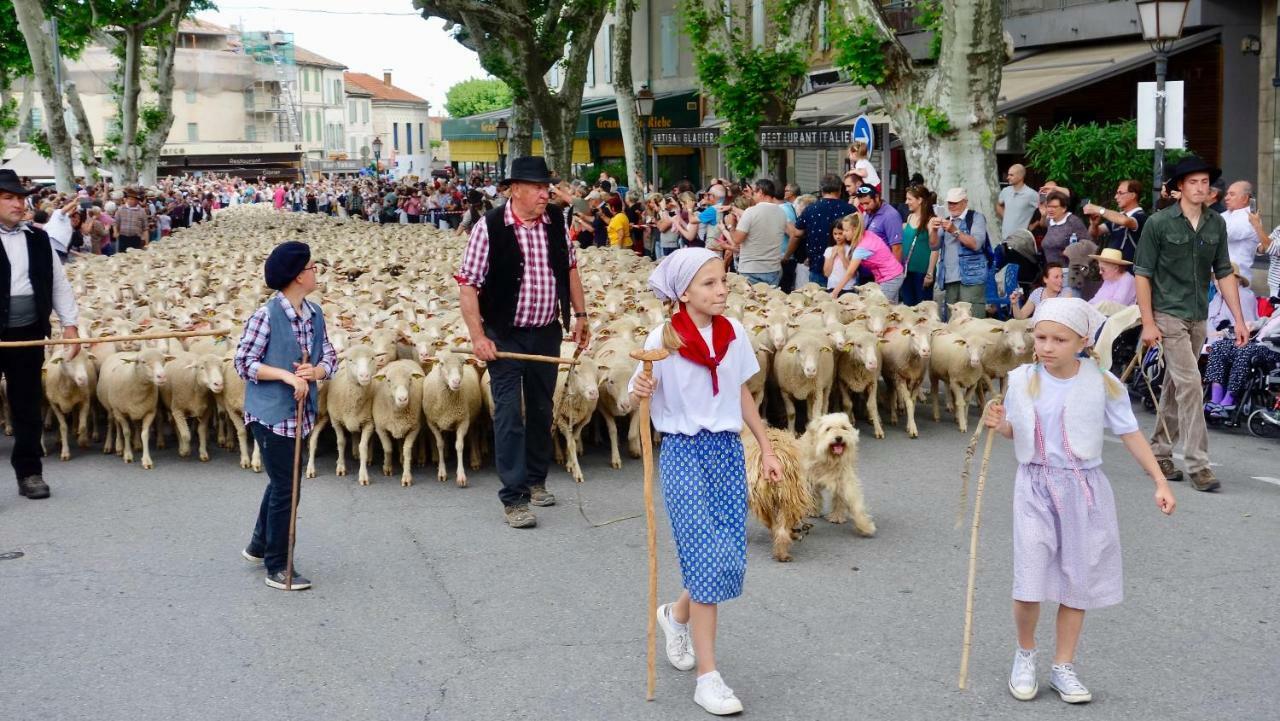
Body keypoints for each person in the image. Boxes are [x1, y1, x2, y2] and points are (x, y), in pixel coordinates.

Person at [982, 297, 1175, 705]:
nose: (1047, 346)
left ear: (1083, 341)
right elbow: (1018, 432)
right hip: (1034, 486)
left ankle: (1063, 665)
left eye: (1059, 339)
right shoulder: (1020, 380)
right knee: (1029, 578)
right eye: (1042, 337)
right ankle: (1025, 652)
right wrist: (1001, 426)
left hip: (1083, 488)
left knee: (1077, 581)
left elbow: (1130, 434)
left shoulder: (1102, 383)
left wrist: (1159, 480)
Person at [628, 247, 782, 717]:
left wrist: (768, 448)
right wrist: (639, 391)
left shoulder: (734, 332)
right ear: (683, 292)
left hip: (727, 453)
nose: (721, 290)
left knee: (727, 557)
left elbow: (740, 392)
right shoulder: (665, 337)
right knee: (707, 558)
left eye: (723, 280)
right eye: (709, 283)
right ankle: (708, 678)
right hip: (682, 453)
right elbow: (629, 397)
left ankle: (676, 616)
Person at [456, 157, 590, 529]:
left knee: (541, 407)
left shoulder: (555, 226)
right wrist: (478, 336)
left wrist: (580, 316)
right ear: (515, 189)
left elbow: (570, 270)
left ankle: (535, 480)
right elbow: (468, 284)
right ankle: (513, 497)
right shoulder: (490, 227)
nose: (544, 193)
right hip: (504, 333)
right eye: (536, 187)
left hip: (545, 330)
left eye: (546, 187)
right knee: (510, 413)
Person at [1135, 155, 1248, 493]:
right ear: (1179, 187)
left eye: (1205, 182)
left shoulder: (1216, 224)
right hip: (1168, 312)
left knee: (1176, 383)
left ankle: (1159, 450)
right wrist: (1148, 322)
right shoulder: (1159, 223)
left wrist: (1240, 319)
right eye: (1193, 182)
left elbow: (1224, 271)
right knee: (1191, 383)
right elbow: (1142, 274)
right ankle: (1199, 464)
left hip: (1198, 314)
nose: (1201, 188)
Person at [233, 241, 337, 591]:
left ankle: (259, 546)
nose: (315, 272)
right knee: (287, 489)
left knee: (282, 483)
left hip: (302, 415)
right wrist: (286, 375)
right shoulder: (266, 316)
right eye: (311, 268)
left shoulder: (315, 314)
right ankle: (278, 565)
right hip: (271, 416)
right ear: (296, 277)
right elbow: (243, 362)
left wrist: (316, 372)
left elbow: (330, 356)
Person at [0, 169, 83, 502]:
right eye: (9, 198)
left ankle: (30, 472)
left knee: (27, 405)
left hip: (28, 334)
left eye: (20, 198)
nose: (18, 204)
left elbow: (58, 282)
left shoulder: (37, 238)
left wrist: (71, 325)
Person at [1204, 310, 1280, 417]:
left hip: (1272, 349)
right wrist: (1252, 324)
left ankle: (1229, 400)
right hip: (1257, 344)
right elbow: (1267, 321)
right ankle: (1216, 398)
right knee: (1218, 346)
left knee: (1244, 350)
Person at [929, 187, 991, 318]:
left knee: (972, 318)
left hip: (973, 277)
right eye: (949, 203)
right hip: (950, 278)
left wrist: (954, 231)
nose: (951, 206)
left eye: (955, 202)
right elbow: (934, 246)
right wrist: (933, 230)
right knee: (953, 320)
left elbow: (976, 244)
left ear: (965, 202)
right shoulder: (946, 220)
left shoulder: (976, 218)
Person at [794, 174, 856, 287]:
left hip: (817, 265)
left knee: (819, 301)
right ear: (840, 190)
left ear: (821, 190)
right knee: (845, 302)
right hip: (845, 267)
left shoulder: (811, 209)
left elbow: (797, 233)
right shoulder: (850, 210)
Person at [828, 212, 905, 301]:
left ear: (855, 230)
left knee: (879, 307)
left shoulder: (862, 248)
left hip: (890, 278)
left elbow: (849, 273)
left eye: (846, 230)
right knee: (890, 308)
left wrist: (835, 292)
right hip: (894, 275)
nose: (844, 233)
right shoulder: (868, 234)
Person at [726, 179, 787, 286]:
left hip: (751, 269)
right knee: (771, 301)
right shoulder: (781, 213)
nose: (752, 195)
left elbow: (737, 240)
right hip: (773, 268)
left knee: (750, 301)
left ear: (761, 193)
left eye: (754, 192)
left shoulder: (750, 212)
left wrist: (730, 225)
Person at [1083, 179, 1146, 267]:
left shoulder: (1140, 216)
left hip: (1131, 271)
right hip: (1113, 270)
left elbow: (1125, 221)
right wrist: (1094, 224)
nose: (1116, 197)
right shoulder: (1118, 217)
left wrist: (1098, 209)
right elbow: (1094, 234)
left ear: (1132, 195)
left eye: (1120, 193)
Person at [899, 184, 939, 306]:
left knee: (923, 309)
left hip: (922, 272)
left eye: (910, 199)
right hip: (907, 271)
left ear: (920, 200)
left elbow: (935, 248)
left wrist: (930, 273)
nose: (907, 202)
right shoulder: (910, 217)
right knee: (908, 307)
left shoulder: (931, 220)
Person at [1219, 180, 1267, 270]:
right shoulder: (1226, 214)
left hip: (1237, 275)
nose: (1226, 198)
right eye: (1227, 194)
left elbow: (1221, 234)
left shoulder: (1250, 218)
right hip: (1216, 272)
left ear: (1245, 199)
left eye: (1232, 194)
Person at [853, 184, 903, 260]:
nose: (864, 207)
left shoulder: (890, 215)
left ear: (877, 197)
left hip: (884, 268)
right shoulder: (868, 212)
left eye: (867, 203)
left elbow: (897, 248)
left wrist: (893, 271)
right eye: (862, 204)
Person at [1039, 191, 1089, 267]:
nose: (1050, 210)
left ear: (1064, 208)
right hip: (1051, 270)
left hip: (1068, 271)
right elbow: (1043, 224)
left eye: (1054, 207)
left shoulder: (1073, 221)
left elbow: (1089, 244)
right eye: (1049, 206)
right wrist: (1043, 215)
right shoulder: (1051, 220)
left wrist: (1071, 251)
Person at [1011, 264, 1076, 320]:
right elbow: (1021, 317)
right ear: (1045, 279)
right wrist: (1015, 304)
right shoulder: (1037, 293)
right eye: (1056, 277)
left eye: (1062, 277)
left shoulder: (1066, 293)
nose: (1061, 280)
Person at [997, 164, 1040, 240]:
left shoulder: (1031, 194)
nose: (1007, 177)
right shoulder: (1005, 191)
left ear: (1020, 177)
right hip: (1005, 238)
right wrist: (1007, 217)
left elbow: (1045, 210)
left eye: (1011, 175)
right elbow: (999, 205)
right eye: (1008, 174)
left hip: (1021, 241)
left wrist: (1034, 225)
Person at [822, 217, 856, 296]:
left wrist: (842, 256)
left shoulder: (851, 249)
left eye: (840, 233)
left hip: (848, 288)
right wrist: (832, 257)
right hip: (832, 287)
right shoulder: (829, 250)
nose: (837, 237)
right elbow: (827, 273)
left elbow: (852, 273)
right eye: (835, 234)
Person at [114, 187, 149, 253]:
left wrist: (146, 243)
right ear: (126, 199)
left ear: (137, 200)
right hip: (123, 238)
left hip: (135, 239)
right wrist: (115, 232)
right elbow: (115, 222)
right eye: (129, 199)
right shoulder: (120, 209)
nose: (131, 201)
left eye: (133, 199)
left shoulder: (141, 211)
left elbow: (145, 228)